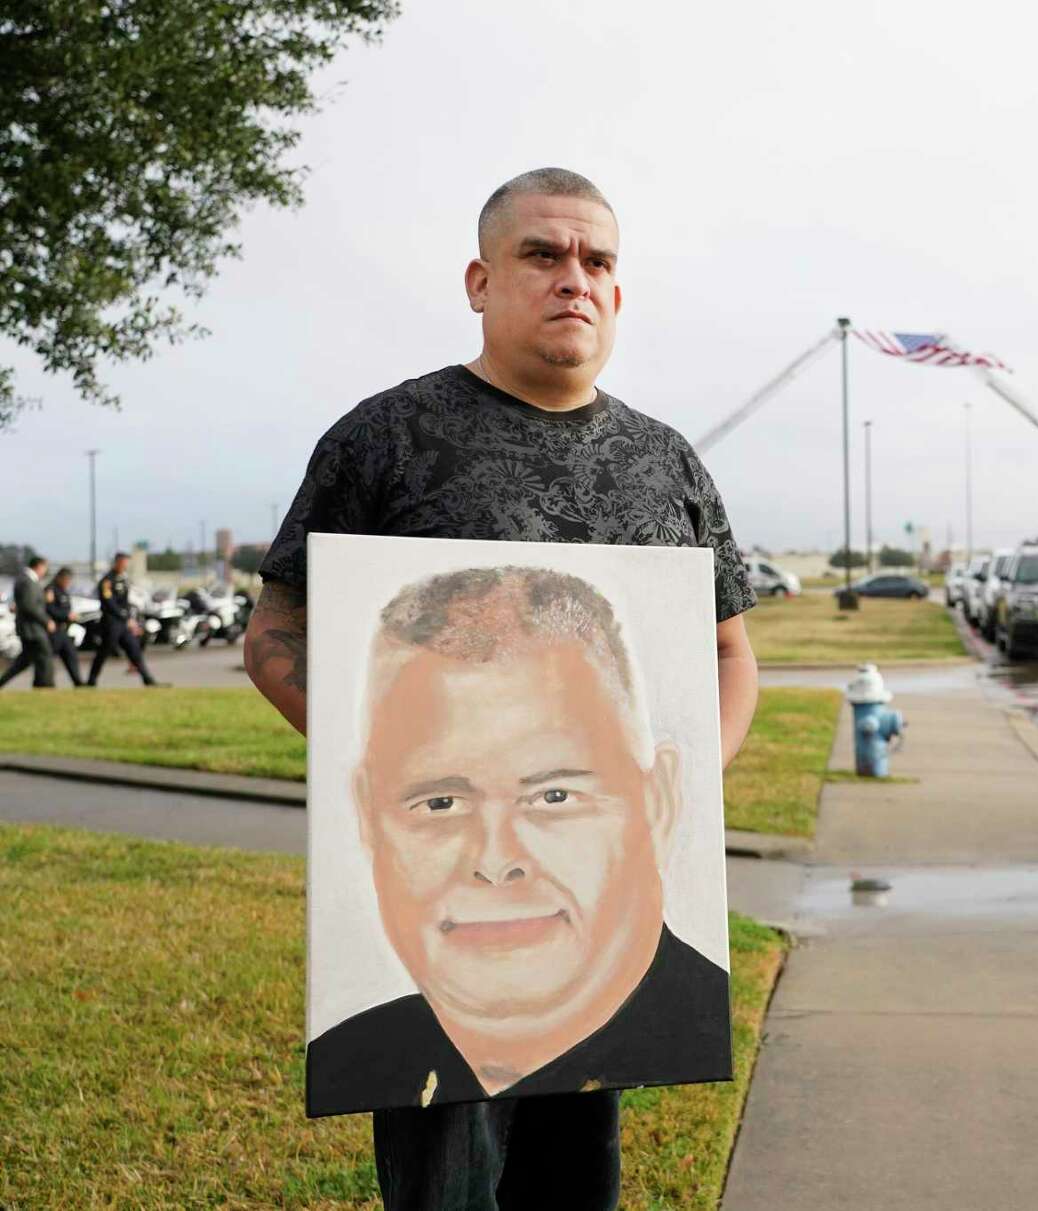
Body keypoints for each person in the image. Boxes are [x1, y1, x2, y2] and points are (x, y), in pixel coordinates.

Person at [244, 166, 758, 1211]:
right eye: (542, 254)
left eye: (596, 261)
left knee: (578, 1178)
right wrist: (396, 779)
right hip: (434, 954)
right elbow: (274, 634)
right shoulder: (383, 439)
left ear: (616, 294)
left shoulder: (667, 464)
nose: (573, 276)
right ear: (480, 281)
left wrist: (684, 798)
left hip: (600, 904)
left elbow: (728, 654)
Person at [306, 566, 729, 1119]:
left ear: (658, 803)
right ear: (368, 817)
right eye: (440, 804)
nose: (496, 861)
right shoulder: (353, 1057)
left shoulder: (691, 1032)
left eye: (554, 797)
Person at [85, 552, 160, 687]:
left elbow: (125, 602)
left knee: (134, 650)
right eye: (124, 562)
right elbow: (109, 603)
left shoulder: (123, 579)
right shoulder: (108, 580)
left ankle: (148, 679)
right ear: (118, 562)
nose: (126, 565)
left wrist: (129, 619)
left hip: (123, 623)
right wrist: (124, 616)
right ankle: (92, 680)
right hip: (111, 623)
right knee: (104, 652)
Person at [0, 556, 54, 689]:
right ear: (39, 566)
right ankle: (45, 685)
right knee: (45, 655)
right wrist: (46, 620)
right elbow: (29, 605)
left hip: (32, 627)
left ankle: (40, 685)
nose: (45, 571)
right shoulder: (26, 580)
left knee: (25, 661)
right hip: (31, 628)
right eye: (45, 567)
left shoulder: (28, 580)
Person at [45, 567, 84, 685]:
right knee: (47, 659)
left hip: (64, 630)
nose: (68, 583)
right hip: (53, 631)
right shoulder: (50, 590)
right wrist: (67, 615)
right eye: (66, 580)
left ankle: (78, 682)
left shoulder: (63, 591)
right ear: (60, 578)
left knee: (71, 656)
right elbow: (49, 609)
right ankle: (46, 682)